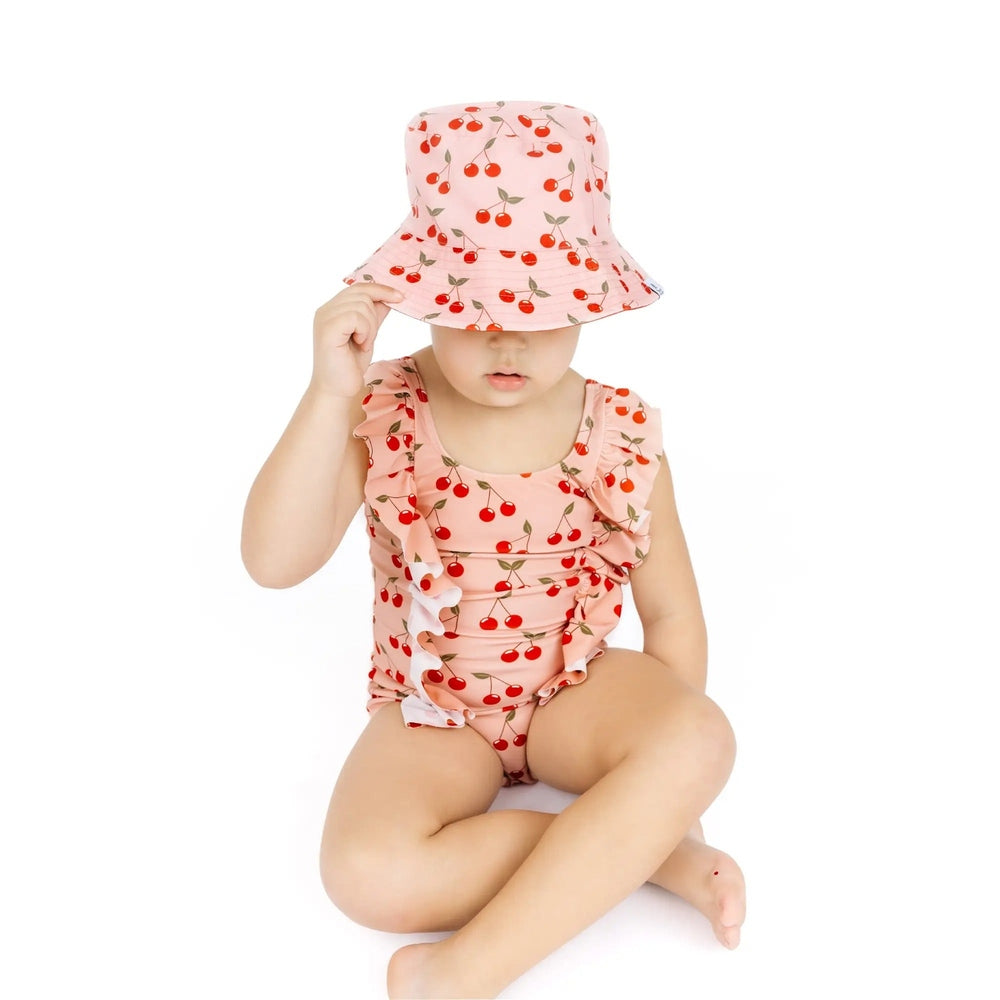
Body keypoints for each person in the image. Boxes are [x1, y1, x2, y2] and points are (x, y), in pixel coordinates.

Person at [241, 100, 745, 999]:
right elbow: (273, 563)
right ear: (419, 295)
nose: (507, 334)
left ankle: (462, 972)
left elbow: (672, 615)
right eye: (471, 307)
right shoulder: (382, 407)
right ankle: (636, 858)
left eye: (542, 307)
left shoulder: (619, 429)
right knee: (366, 875)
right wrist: (325, 396)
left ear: (591, 298)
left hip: (575, 689)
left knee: (699, 736)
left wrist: (674, 790)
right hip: (434, 708)